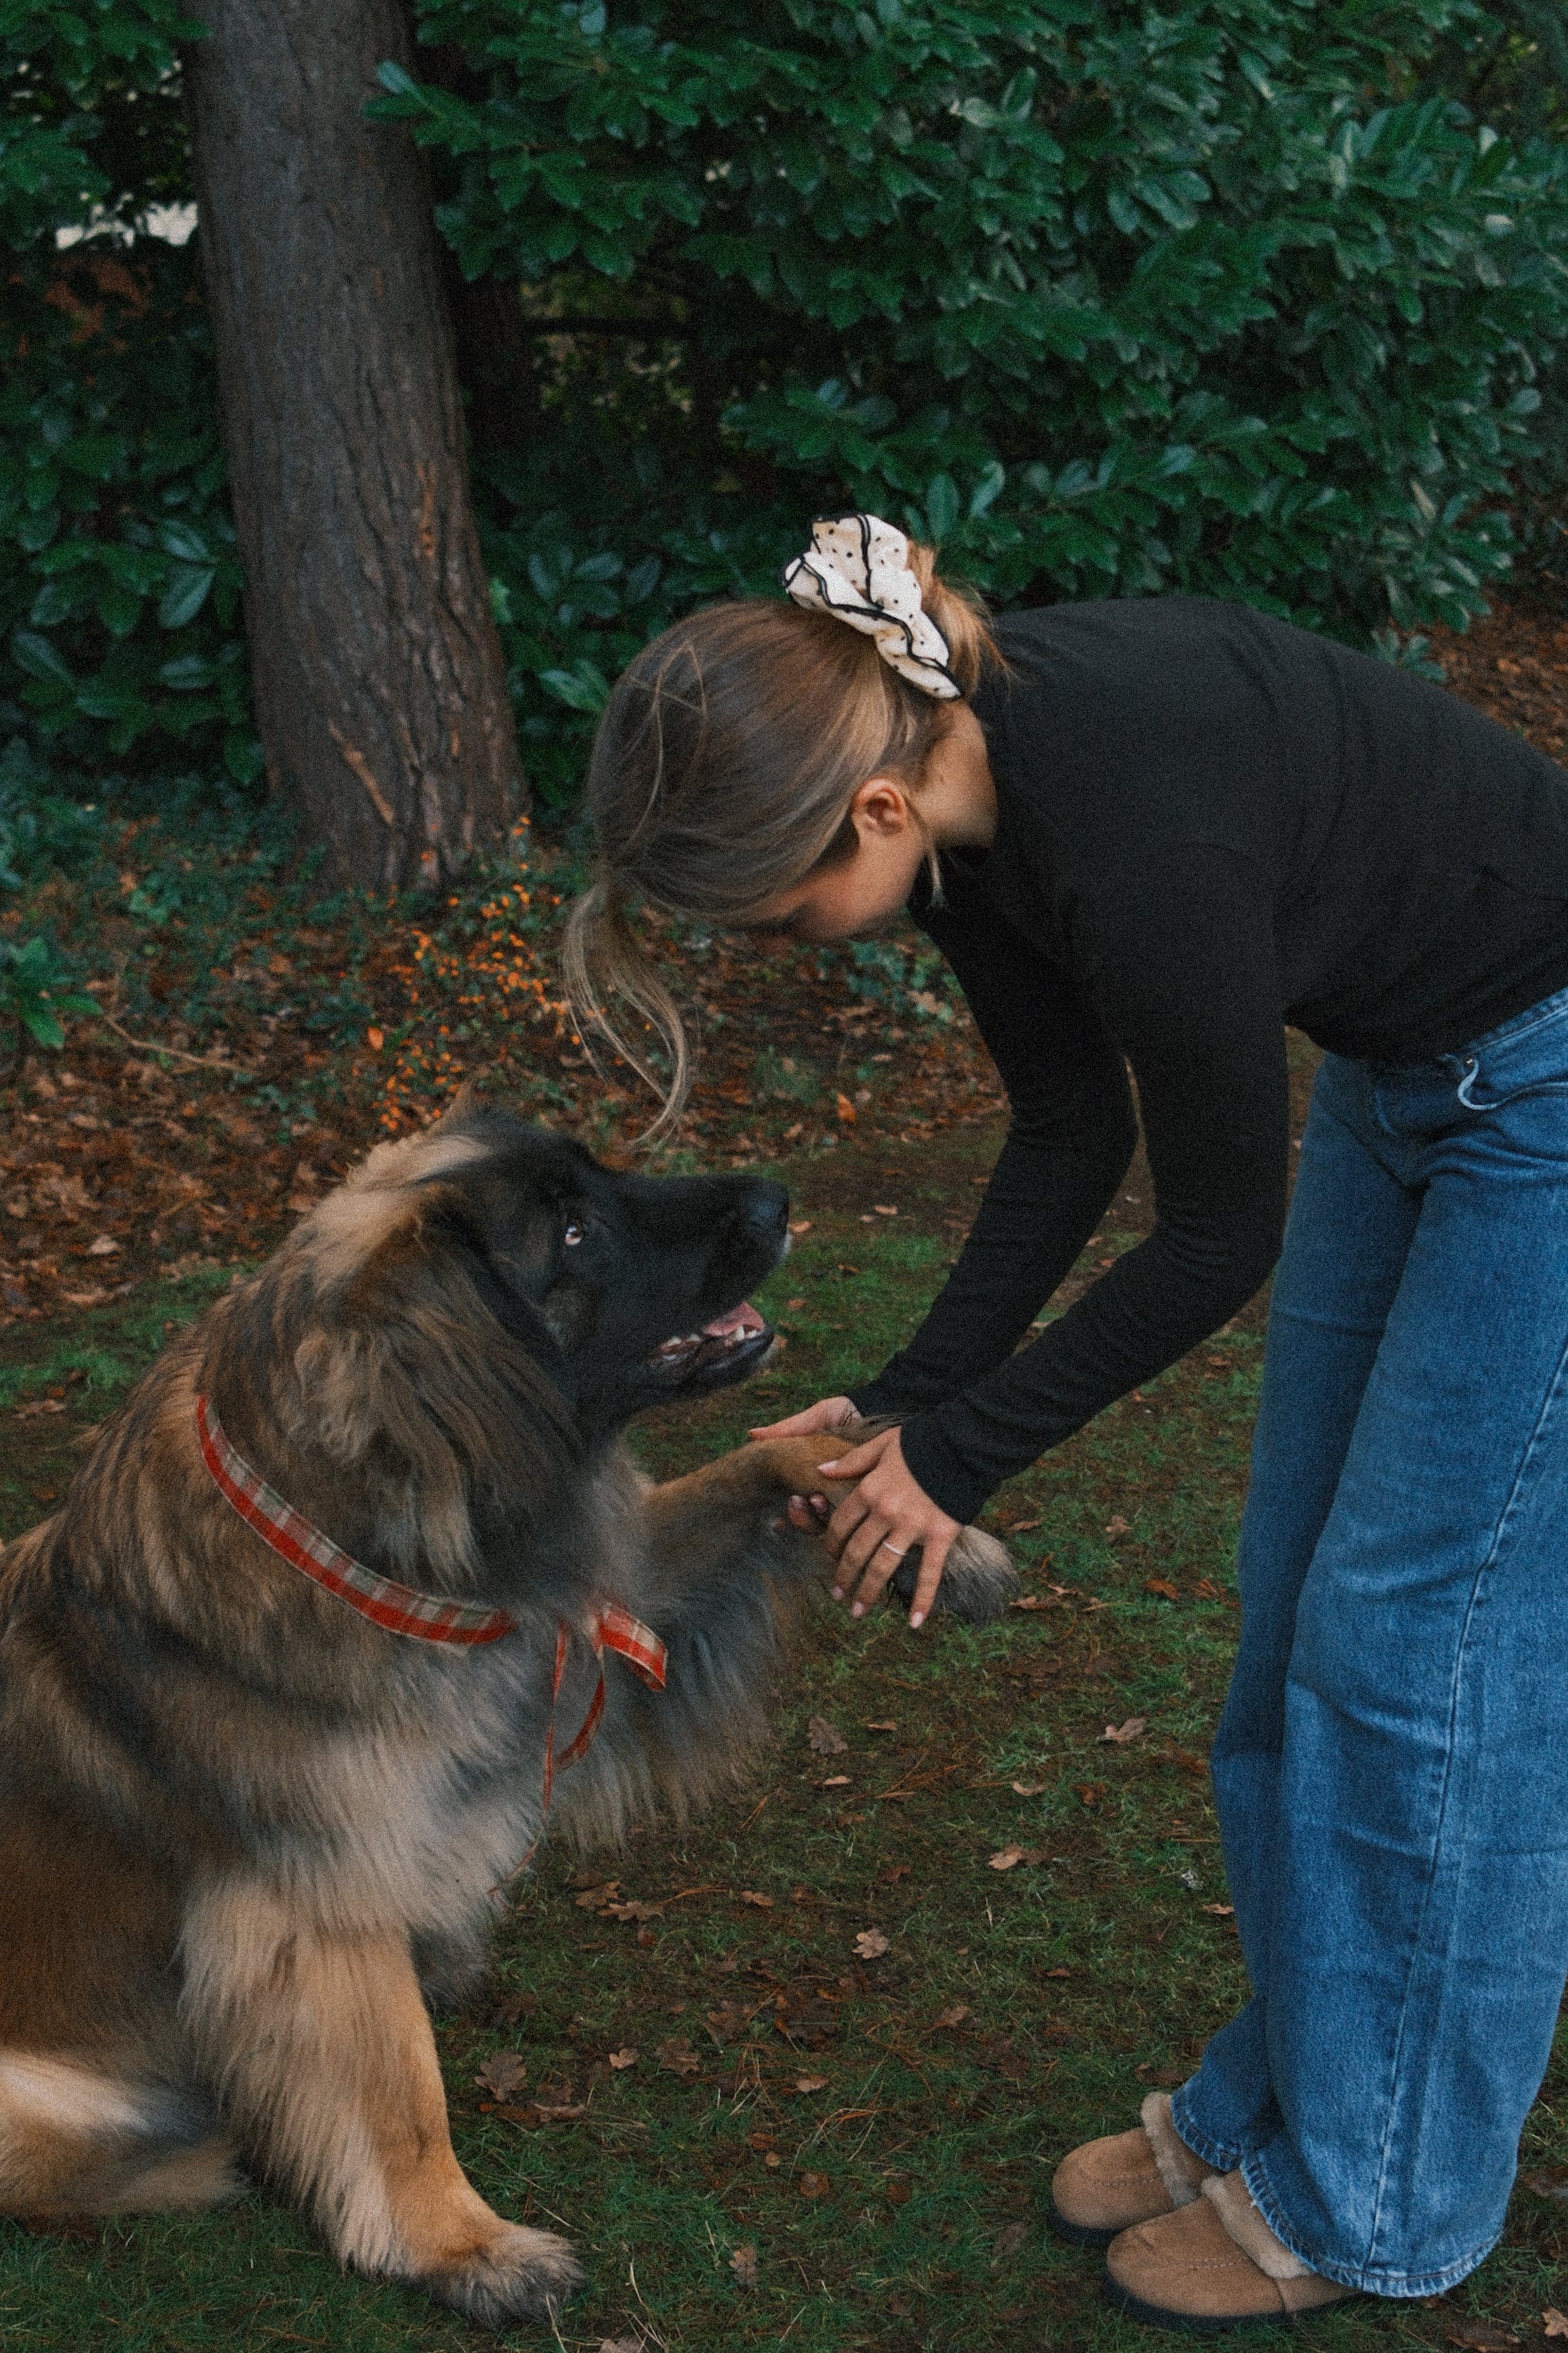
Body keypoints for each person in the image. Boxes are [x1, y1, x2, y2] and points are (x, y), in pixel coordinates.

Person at [562, 512, 1568, 2331]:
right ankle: (1288, 2098)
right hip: (1404, 1073)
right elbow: (1064, 1131)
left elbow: (1212, 1233)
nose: (788, 945)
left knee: (1418, 1645)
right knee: (1291, 1608)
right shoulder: (960, 804)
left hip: (1549, 1081)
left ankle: (1385, 2192)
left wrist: (958, 1457)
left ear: (865, 813)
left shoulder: (1129, 825)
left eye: (780, 908)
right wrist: (908, 1399)